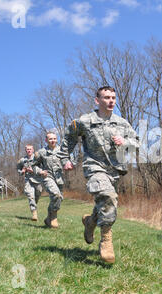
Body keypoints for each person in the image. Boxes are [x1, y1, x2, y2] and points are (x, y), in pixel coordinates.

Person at [59, 86, 139, 264]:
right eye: (106, 97)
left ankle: (90, 223)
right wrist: (65, 158)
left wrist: (125, 141)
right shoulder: (85, 121)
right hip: (94, 166)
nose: (111, 100)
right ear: (97, 100)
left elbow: (136, 142)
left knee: (105, 203)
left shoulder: (122, 123)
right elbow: (69, 137)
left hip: (115, 169)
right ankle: (106, 241)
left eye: (113, 97)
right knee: (107, 196)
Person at [32, 132, 65, 228]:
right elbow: (34, 166)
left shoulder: (62, 150)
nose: (53, 140)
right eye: (50, 139)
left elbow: (68, 161)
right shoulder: (41, 152)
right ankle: (54, 217)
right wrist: (40, 171)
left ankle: (48, 218)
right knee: (56, 194)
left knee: (58, 199)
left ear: (57, 139)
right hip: (48, 177)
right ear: (46, 140)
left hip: (59, 178)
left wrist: (69, 165)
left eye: (54, 138)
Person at [17, 144, 43, 221]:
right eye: (27, 149)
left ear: (33, 150)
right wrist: (22, 171)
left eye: (30, 149)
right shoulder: (22, 160)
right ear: (25, 150)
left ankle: (34, 205)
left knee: (37, 195)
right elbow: (18, 169)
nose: (29, 150)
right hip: (28, 180)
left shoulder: (37, 158)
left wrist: (35, 171)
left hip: (37, 180)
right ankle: (34, 213)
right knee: (30, 195)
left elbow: (43, 167)